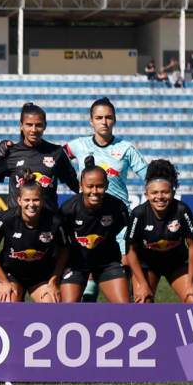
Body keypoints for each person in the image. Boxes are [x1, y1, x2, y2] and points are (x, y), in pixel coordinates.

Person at [64, 97, 148, 301]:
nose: (104, 122)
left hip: (118, 222)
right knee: (89, 278)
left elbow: (149, 176)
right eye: (99, 117)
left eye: (108, 117)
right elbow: (52, 158)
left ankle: (127, 319)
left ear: (115, 120)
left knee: (124, 269)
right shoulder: (78, 145)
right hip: (89, 220)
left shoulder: (126, 148)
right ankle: (87, 318)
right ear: (91, 121)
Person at [0, 169, 70, 303]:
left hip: (41, 275)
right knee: (9, 303)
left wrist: (54, 280)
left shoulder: (55, 222)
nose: (31, 204)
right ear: (19, 200)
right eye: (27, 200)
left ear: (42, 200)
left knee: (51, 303)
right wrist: (3, 281)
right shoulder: (5, 219)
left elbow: (64, 251)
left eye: (36, 200)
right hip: (11, 274)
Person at [126, 160, 193, 304]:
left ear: (173, 192)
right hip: (148, 265)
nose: (160, 197)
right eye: (154, 192)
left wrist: (192, 282)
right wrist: (143, 284)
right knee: (143, 301)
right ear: (146, 194)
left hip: (177, 263)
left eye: (165, 192)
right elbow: (131, 251)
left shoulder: (182, 210)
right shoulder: (139, 214)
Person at [59, 156, 130, 303]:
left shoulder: (117, 207)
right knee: (67, 310)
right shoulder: (67, 210)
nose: (95, 191)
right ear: (81, 186)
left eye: (99, 186)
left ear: (107, 185)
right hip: (76, 264)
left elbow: (118, 230)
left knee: (125, 308)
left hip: (107, 262)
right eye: (90, 186)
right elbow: (61, 243)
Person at [0, 103, 79, 210]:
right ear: (21, 125)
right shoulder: (10, 153)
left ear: (45, 125)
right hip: (17, 223)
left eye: (39, 125)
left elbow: (76, 186)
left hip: (48, 223)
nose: (34, 130)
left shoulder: (57, 153)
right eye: (29, 125)